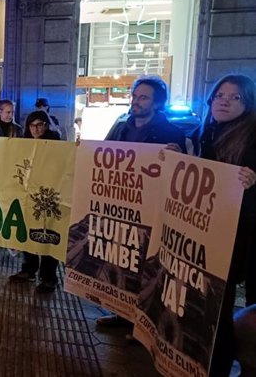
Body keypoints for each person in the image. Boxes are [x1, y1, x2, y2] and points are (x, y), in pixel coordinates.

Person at [97, 75, 187, 329]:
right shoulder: (121, 127)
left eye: (143, 97)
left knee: (147, 268)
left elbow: (181, 174)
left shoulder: (172, 134)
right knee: (122, 263)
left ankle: (144, 323)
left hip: (151, 211)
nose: (136, 101)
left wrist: (178, 159)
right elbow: (104, 154)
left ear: (157, 103)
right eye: (135, 96)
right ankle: (122, 314)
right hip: (122, 208)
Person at [189, 74, 256, 377]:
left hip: (238, 234)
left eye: (235, 97)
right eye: (219, 96)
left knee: (220, 304)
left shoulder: (252, 136)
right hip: (205, 230)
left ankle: (221, 365)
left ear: (248, 103)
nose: (224, 102)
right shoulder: (206, 132)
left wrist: (253, 180)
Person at [9, 110, 61, 293]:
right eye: (32, 125)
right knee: (28, 233)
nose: (36, 129)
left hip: (49, 196)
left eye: (40, 125)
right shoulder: (25, 145)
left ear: (46, 125)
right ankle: (29, 269)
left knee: (47, 236)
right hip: (28, 196)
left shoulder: (58, 146)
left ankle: (49, 277)